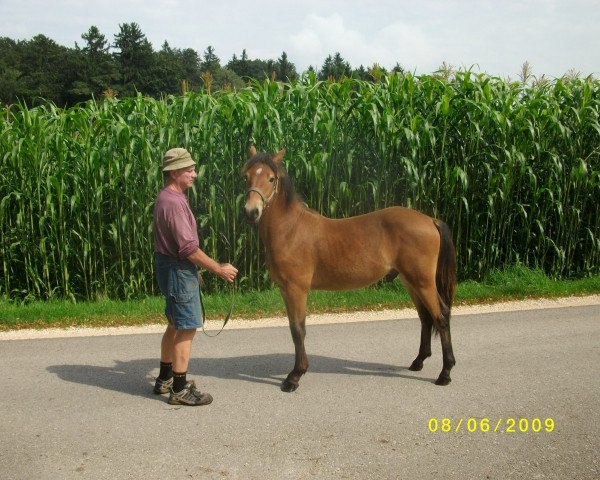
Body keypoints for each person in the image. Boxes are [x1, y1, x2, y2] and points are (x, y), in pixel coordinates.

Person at [153, 147, 238, 406]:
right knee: (187, 326)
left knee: (175, 323)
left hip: (172, 267)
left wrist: (192, 272)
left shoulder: (167, 198)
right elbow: (188, 248)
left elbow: (180, 247)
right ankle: (179, 389)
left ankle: (165, 378)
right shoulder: (174, 203)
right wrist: (218, 269)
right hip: (177, 268)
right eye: (189, 170)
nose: (194, 174)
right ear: (175, 171)